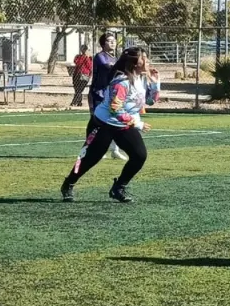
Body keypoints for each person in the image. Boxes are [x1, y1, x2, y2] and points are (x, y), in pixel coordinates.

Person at [61, 46, 159, 203]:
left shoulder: (141, 79)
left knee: (139, 156)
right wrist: (137, 123)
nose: (147, 61)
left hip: (123, 126)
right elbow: (115, 108)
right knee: (90, 158)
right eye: (144, 58)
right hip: (103, 125)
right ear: (134, 63)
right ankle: (69, 183)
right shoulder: (121, 82)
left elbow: (150, 101)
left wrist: (155, 83)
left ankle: (118, 187)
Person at [88, 33, 128, 161]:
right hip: (98, 93)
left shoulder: (115, 58)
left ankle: (115, 150)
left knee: (114, 121)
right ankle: (93, 149)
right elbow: (108, 68)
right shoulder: (100, 57)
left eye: (114, 41)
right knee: (97, 122)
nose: (113, 43)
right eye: (109, 41)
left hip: (110, 93)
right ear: (103, 44)